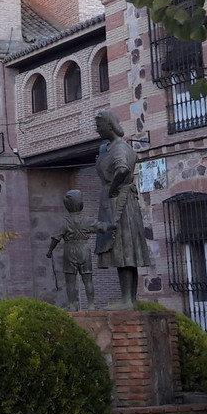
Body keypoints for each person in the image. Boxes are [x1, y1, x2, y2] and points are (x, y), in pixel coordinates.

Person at [95, 109, 150, 309]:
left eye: (99, 126)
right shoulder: (110, 147)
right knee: (123, 250)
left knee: (124, 248)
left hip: (120, 202)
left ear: (109, 126)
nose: (97, 129)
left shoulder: (119, 148)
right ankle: (129, 299)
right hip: (120, 200)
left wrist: (112, 189)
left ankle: (127, 300)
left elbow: (122, 169)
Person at [45, 189, 113, 311]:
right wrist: (115, 225)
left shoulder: (64, 222)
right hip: (84, 250)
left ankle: (72, 305)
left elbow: (56, 238)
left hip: (69, 250)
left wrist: (50, 251)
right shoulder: (87, 220)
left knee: (70, 281)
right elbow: (102, 227)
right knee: (88, 279)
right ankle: (91, 305)